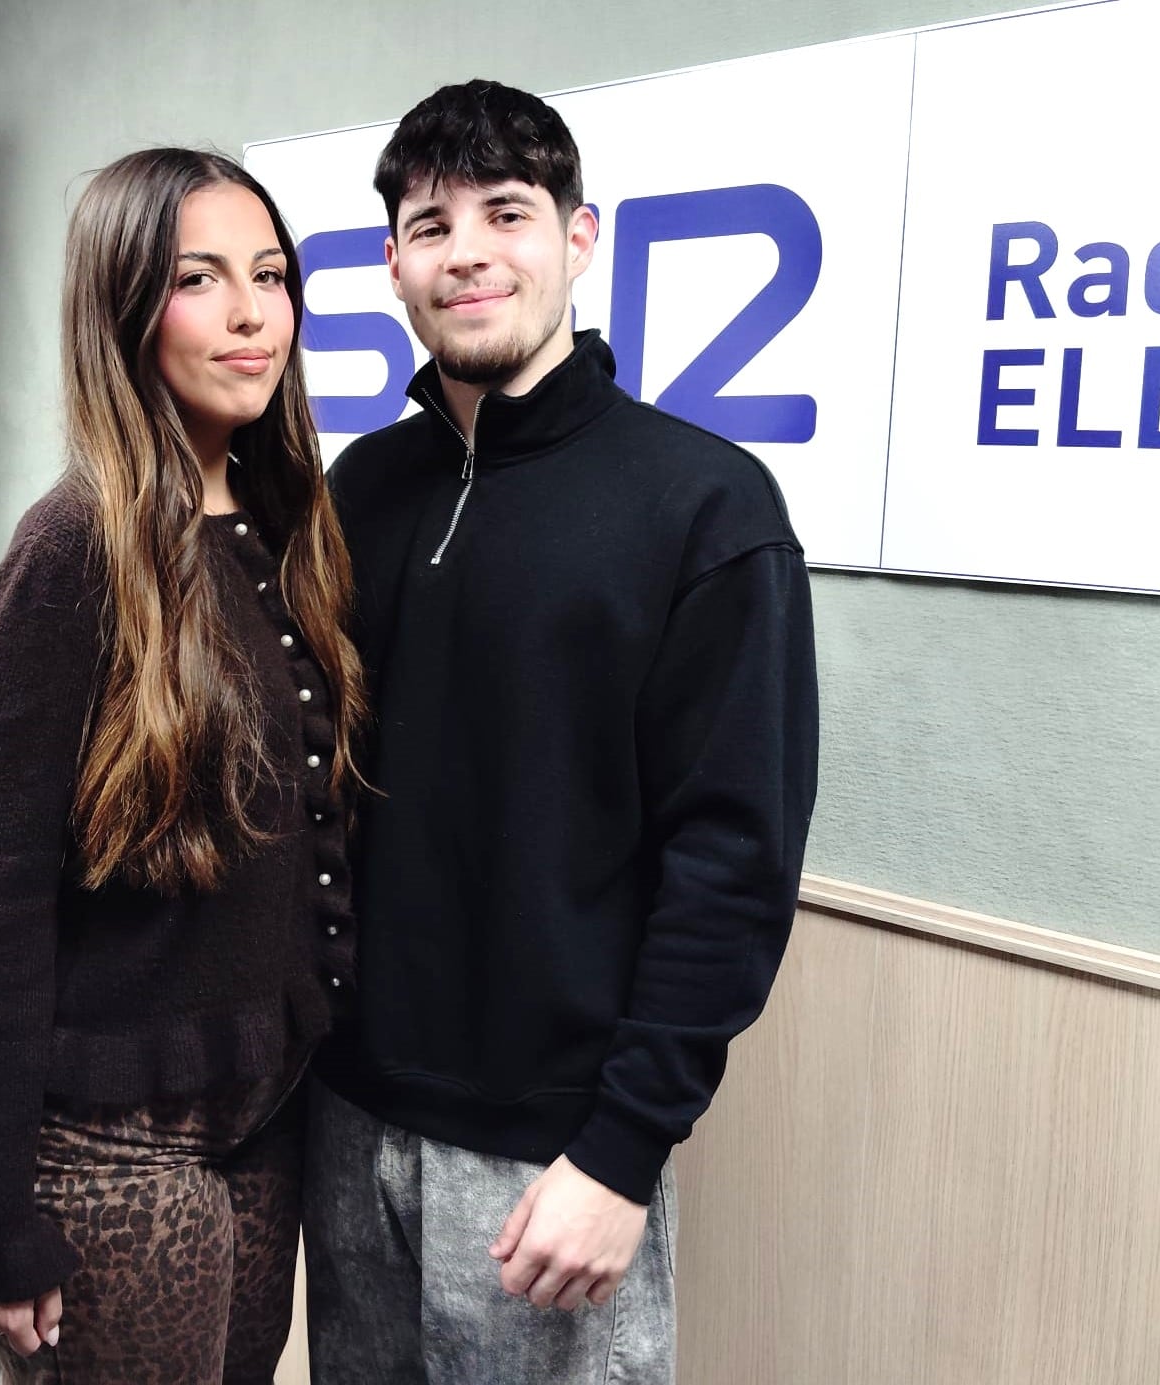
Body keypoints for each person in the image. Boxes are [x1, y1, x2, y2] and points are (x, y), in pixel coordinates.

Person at [305, 80, 819, 1383]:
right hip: (349, 1119)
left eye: (507, 212)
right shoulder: (362, 489)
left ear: (579, 238)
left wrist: (623, 1148)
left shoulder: (705, 507)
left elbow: (733, 860)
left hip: (554, 1155)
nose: (467, 249)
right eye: (431, 224)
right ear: (394, 267)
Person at [0, 146, 365, 1384]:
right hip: (107, 1145)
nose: (249, 312)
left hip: (261, 1118)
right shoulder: (72, 555)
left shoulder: (287, 532)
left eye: (270, 276)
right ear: (122, 307)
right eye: (199, 278)